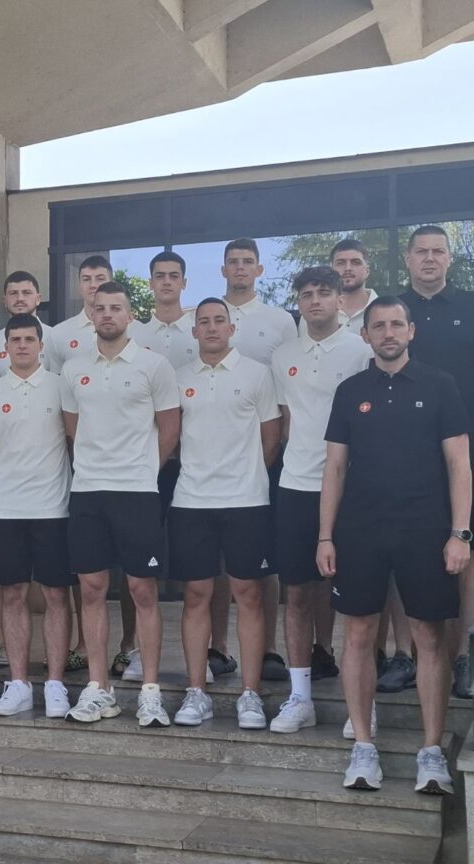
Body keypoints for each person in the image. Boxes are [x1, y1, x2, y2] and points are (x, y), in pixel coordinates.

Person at [317, 296, 472, 795]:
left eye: (396, 325)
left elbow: (459, 465)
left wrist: (460, 533)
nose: (388, 333)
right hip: (360, 530)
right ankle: (363, 746)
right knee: (359, 635)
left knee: (429, 636)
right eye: (378, 325)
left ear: (411, 332)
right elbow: (334, 468)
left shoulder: (440, 385)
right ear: (365, 335)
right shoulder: (350, 391)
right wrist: (325, 535)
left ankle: (431, 752)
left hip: (426, 529)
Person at [399, 225, 474, 698]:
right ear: (408, 259)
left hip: (461, 453)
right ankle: (406, 657)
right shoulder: (392, 310)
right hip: (400, 453)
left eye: (438, 251)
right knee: (399, 553)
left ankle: (464, 656)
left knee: (463, 550)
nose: (429, 258)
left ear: (449, 258)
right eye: (421, 251)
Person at [60, 282, 180, 726]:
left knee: (142, 590)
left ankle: (150, 691)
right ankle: (99, 688)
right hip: (88, 491)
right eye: (100, 307)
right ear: (90, 315)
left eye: (116, 308)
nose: (107, 314)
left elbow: (169, 428)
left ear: (130, 316)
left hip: (137, 491)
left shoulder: (154, 365)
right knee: (91, 589)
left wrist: (144, 470)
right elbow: (73, 428)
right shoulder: (73, 369)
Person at [268, 267, 372, 735]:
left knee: (356, 597)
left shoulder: (361, 351)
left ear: (339, 300)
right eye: (307, 294)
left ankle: (361, 703)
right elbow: (286, 420)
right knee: (295, 594)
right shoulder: (283, 355)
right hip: (295, 486)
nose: (315, 300)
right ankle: (300, 697)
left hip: (351, 491)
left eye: (324, 293)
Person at [169, 298, 280, 728]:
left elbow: (271, 439)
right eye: (204, 322)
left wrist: (244, 476)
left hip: (246, 501)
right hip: (191, 501)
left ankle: (250, 694)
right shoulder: (178, 378)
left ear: (232, 329)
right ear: (194, 331)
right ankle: (196, 691)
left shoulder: (257, 374)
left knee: (248, 593)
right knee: (196, 595)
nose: (212, 327)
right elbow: (171, 435)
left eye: (220, 321)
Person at [0, 314, 74, 718]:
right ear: (5, 347)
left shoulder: (60, 386)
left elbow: (73, 438)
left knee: (56, 595)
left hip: (53, 508)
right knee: (13, 594)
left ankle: (55, 684)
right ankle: (18, 684)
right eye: (15, 339)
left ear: (40, 345)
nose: (22, 345)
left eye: (28, 339)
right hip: (6, 509)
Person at [219, 238, 297, 682]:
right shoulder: (205, 317)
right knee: (212, 565)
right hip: (209, 462)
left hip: (265, 457)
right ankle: (216, 646)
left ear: (259, 270)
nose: (241, 268)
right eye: (233, 262)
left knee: (262, 562)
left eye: (248, 262)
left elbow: (289, 387)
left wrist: (274, 450)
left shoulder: (280, 320)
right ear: (223, 270)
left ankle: (267, 649)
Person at [122, 250, 194, 685]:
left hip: (193, 464)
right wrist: (149, 465)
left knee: (200, 567)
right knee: (136, 568)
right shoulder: (136, 333)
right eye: (159, 275)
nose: (167, 281)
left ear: (184, 282)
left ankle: (214, 649)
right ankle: (132, 647)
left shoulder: (200, 329)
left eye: (174, 275)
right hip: (141, 470)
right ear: (150, 283)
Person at [48, 255, 113, 374]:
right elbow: (57, 380)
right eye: (86, 279)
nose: (93, 285)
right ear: (79, 286)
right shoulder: (59, 333)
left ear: (111, 284)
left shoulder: (133, 329)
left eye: (100, 278)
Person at [0, 271, 55, 377]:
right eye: (13, 293)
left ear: (38, 299)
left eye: (26, 293)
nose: (20, 299)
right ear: (5, 301)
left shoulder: (55, 338)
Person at [330, 239, 377, 334]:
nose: (348, 268)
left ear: (367, 271)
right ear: (331, 270)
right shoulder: (315, 313)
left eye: (356, 262)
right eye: (341, 263)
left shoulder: (387, 311)